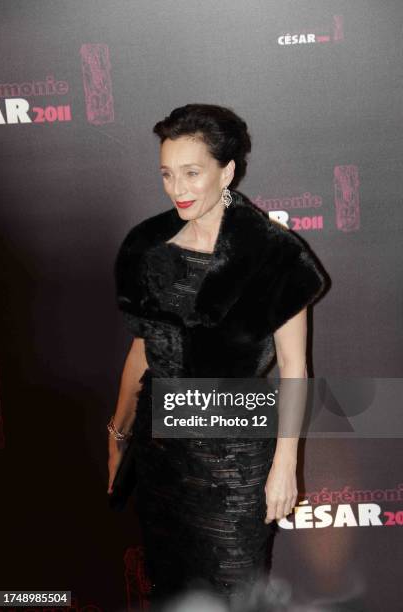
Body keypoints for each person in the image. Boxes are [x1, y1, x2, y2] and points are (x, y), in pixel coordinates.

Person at [107, 104, 327, 608]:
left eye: (191, 173)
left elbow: (295, 367)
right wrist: (118, 435)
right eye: (167, 174)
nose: (177, 188)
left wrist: (285, 464)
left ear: (226, 172)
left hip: (236, 461)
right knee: (173, 590)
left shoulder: (273, 253)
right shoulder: (145, 247)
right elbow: (142, 348)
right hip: (162, 456)